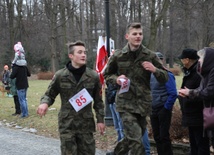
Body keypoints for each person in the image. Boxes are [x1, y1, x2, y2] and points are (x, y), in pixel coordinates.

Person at [104, 22, 168, 155]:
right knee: (137, 142)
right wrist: (116, 79)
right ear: (127, 36)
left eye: (140, 34)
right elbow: (107, 75)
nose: (138, 36)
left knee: (132, 138)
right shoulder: (118, 55)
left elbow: (165, 77)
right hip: (125, 103)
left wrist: (155, 69)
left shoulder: (149, 55)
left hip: (143, 104)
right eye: (135, 34)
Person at [37, 40, 105, 155]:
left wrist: (100, 120)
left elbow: (98, 102)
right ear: (71, 56)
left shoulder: (93, 76)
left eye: (84, 52)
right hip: (67, 124)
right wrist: (45, 103)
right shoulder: (60, 75)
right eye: (79, 52)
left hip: (86, 125)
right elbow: (49, 94)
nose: (83, 55)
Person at [178, 47, 214, 155]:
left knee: (201, 146)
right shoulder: (204, 74)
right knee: (194, 146)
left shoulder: (209, 73)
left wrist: (190, 93)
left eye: (201, 58)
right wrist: (188, 92)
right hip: (200, 116)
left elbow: (208, 92)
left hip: (201, 115)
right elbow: (200, 90)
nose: (199, 60)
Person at [106, 81, 151, 155]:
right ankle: (122, 151)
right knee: (120, 128)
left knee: (132, 129)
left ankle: (145, 151)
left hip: (129, 103)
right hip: (114, 100)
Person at [150, 52, 177, 155]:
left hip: (163, 108)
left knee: (164, 136)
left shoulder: (167, 74)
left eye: (159, 59)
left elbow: (173, 94)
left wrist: (166, 108)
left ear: (162, 60)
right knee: (156, 136)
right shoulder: (150, 75)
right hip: (153, 108)